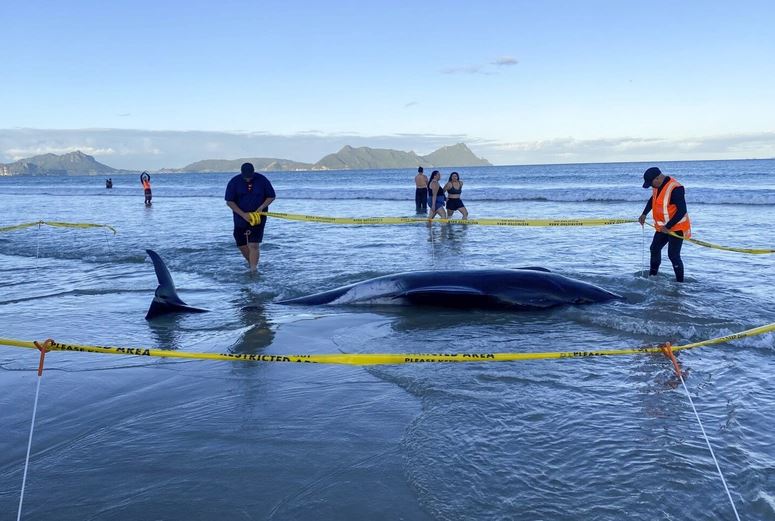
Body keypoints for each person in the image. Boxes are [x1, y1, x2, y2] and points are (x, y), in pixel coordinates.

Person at [638, 166, 691, 282]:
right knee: (654, 248)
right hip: (663, 227)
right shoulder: (657, 186)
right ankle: (652, 277)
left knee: (673, 255)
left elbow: (682, 211)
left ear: (657, 179)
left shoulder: (676, 188)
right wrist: (644, 214)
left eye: (651, 184)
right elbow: (653, 199)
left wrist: (668, 227)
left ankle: (680, 283)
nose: (651, 186)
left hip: (677, 227)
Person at [225, 162, 276, 273]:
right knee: (241, 244)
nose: (248, 180)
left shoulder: (262, 180)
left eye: (250, 177)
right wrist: (243, 214)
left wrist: (262, 207)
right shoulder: (234, 182)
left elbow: (271, 196)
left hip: (258, 216)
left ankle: (253, 270)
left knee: (253, 244)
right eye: (246, 178)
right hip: (240, 216)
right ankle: (251, 263)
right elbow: (229, 201)